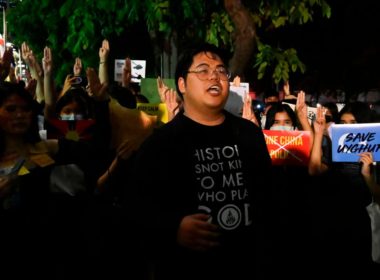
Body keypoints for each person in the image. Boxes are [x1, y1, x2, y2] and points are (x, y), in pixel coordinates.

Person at [125, 43, 275, 280]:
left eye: (221, 71)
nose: (214, 76)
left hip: (247, 266)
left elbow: (269, 197)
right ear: (182, 84)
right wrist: (174, 228)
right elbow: (136, 208)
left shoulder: (249, 134)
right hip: (187, 271)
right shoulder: (161, 144)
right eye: (203, 70)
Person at [308, 101, 378, 278]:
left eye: (353, 124)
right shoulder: (334, 146)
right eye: (344, 124)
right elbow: (314, 169)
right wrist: (318, 134)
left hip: (364, 221)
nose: (348, 129)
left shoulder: (376, 152)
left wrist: (368, 175)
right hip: (336, 218)